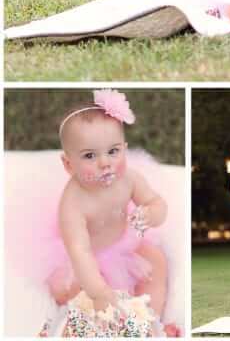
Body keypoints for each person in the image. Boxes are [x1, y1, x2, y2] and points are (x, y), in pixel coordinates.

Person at [14, 90, 179, 336]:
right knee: (73, 290)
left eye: (113, 151)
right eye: (90, 156)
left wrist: (151, 213)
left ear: (124, 149)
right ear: (69, 164)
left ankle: (151, 321)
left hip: (124, 245)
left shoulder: (129, 179)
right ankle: (79, 324)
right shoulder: (73, 204)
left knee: (156, 261)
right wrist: (99, 291)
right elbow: (79, 252)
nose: (105, 163)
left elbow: (157, 203)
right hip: (82, 258)